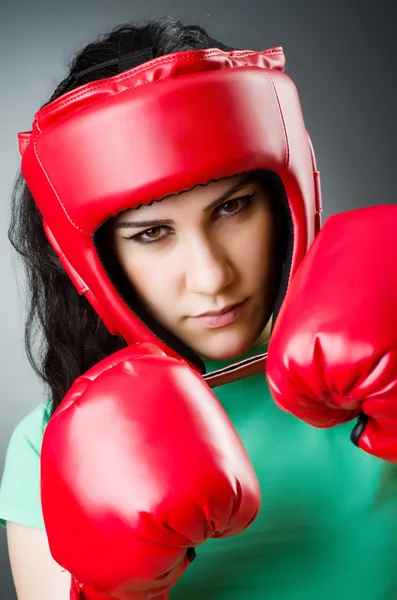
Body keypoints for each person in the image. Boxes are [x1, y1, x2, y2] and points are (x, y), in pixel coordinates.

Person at [1, 13, 397, 600]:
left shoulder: (383, 353)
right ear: (95, 258)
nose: (211, 276)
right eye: (151, 234)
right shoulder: (53, 446)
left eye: (233, 207)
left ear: (285, 196)